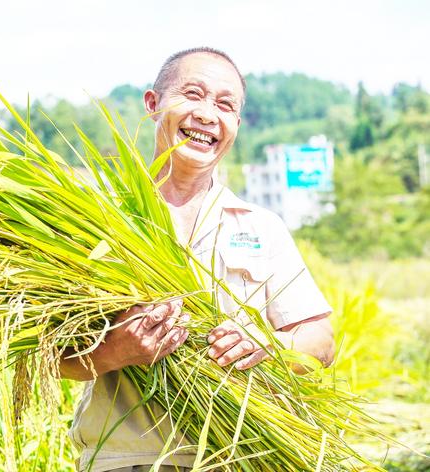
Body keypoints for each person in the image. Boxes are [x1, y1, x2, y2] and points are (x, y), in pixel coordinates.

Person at [59, 47, 335, 472]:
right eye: (193, 94)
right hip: (126, 461)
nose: (208, 115)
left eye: (225, 105)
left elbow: (320, 340)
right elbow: (57, 359)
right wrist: (119, 350)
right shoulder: (99, 221)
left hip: (243, 456)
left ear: (236, 126)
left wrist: (269, 345)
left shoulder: (261, 226)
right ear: (153, 105)